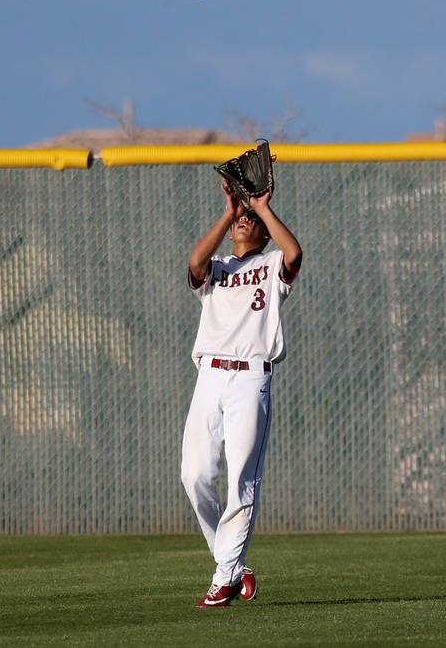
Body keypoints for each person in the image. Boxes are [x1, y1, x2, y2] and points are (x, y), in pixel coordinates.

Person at [181, 174, 303, 608]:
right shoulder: (217, 270)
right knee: (194, 475)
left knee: (241, 481)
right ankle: (231, 564)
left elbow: (294, 253)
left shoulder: (272, 267)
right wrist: (230, 211)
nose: (243, 222)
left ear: (264, 228)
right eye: (241, 219)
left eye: (251, 219)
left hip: (251, 379)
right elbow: (195, 262)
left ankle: (223, 578)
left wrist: (263, 207)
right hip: (209, 376)